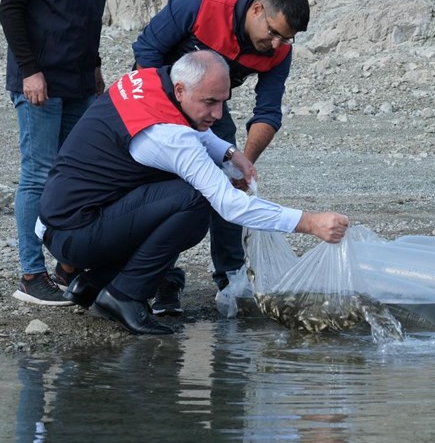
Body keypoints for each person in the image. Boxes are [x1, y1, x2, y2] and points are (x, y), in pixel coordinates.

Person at [38, 50, 349, 335]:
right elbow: (230, 206)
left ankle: (93, 283)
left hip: (63, 220)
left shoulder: (150, 79)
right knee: (195, 200)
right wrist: (309, 222)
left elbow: (192, 126)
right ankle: (124, 295)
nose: (217, 113)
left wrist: (229, 153)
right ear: (181, 90)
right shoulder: (170, 138)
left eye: (223, 101)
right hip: (76, 233)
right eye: (209, 102)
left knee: (183, 192)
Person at [131, 0, 308, 314]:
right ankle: (161, 280)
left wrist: (244, 164)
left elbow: (267, 111)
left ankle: (231, 276)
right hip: (159, 93)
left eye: (285, 38)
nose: (275, 45)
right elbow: (146, 51)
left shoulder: (279, 49)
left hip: (209, 103)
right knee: (161, 188)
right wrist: (168, 123)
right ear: (257, 9)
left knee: (229, 180)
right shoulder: (200, 3)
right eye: (272, 34)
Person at [0, 0, 121, 306]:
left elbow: (88, 16)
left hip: (79, 81)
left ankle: (67, 265)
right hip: (39, 84)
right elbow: (10, 10)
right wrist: (30, 71)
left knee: (78, 174)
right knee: (38, 175)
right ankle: (31, 276)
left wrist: (95, 69)